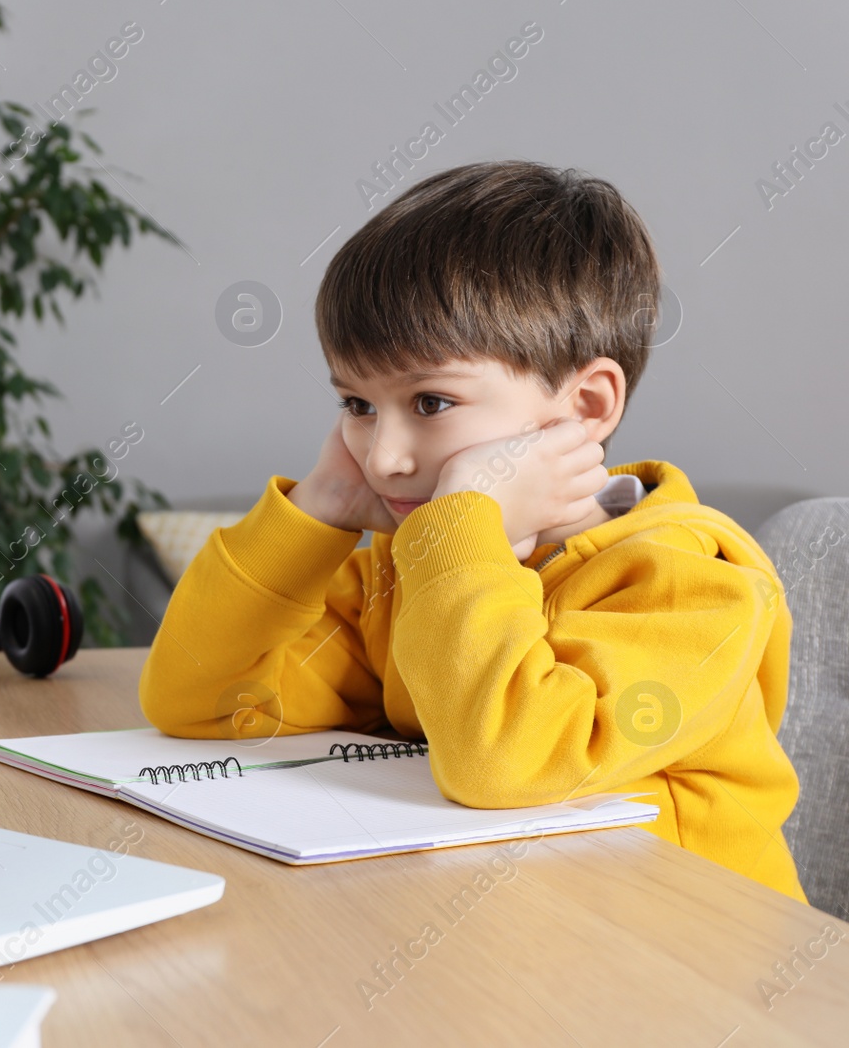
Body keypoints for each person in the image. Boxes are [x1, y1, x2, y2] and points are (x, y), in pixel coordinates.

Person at [139, 159, 806, 901]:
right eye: (357, 404)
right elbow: (199, 699)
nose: (385, 458)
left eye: (429, 403)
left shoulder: (694, 590)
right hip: (500, 954)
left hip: (693, 981)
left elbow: (506, 763)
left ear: (586, 405)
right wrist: (317, 510)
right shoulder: (408, 575)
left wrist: (460, 526)